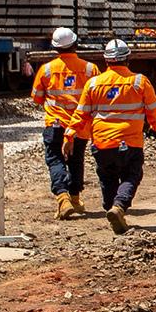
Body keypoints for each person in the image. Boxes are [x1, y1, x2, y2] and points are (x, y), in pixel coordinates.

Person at [70, 39, 156, 235]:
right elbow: (153, 108)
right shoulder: (139, 81)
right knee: (132, 175)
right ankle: (118, 207)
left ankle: (111, 207)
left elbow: (81, 113)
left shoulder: (93, 83)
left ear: (106, 60)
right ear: (128, 59)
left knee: (107, 176)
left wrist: (70, 133)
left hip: (101, 142)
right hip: (130, 142)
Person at [31, 27, 99, 220]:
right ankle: (76, 199)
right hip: (80, 126)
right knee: (76, 160)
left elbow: (36, 97)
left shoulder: (47, 69)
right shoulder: (90, 69)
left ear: (55, 48)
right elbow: (97, 96)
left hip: (56, 124)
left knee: (55, 159)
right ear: (75, 44)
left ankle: (63, 198)